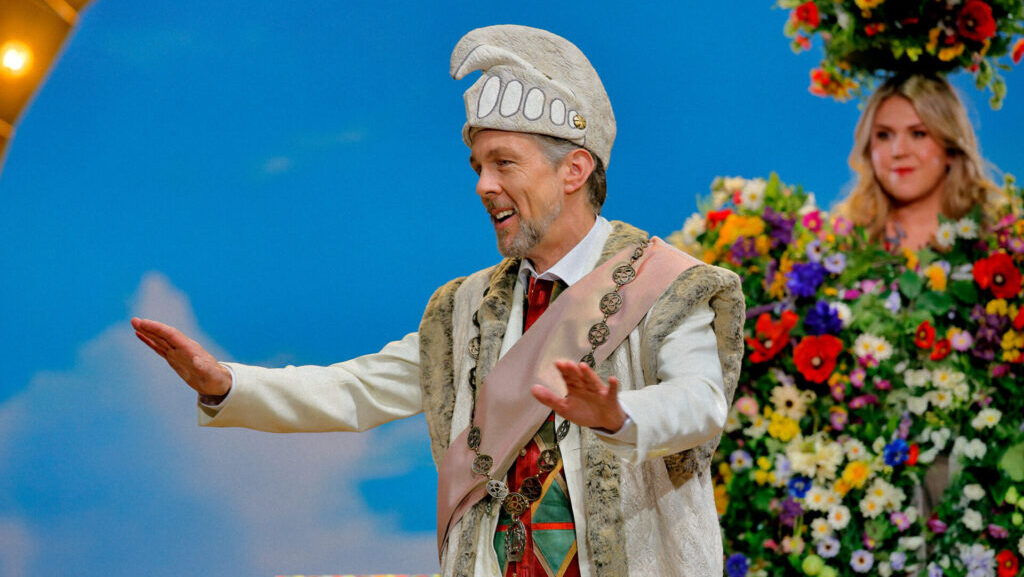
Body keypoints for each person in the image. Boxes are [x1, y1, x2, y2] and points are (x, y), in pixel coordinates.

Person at [132, 25, 745, 577]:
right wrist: (225, 384)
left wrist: (619, 415)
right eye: (478, 166)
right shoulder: (466, 309)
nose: (483, 186)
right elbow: (357, 390)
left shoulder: (666, 284)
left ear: (575, 169)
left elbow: (701, 403)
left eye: (504, 163)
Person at [837, 74, 1001, 251]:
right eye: (884, 135)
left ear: (950, 149)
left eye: (918, 134)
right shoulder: (841, 243)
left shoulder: (998, 237)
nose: (899, 151)